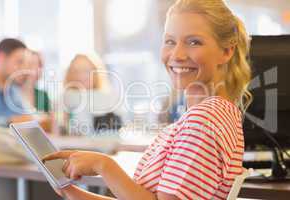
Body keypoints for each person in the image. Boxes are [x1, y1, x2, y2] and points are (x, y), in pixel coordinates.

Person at [43, 0, 252, 199]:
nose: (177, 54)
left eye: (193, 42)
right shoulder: (209, 115)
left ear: (226, 51)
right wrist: (71, 192)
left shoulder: (205, 119)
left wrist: (103, 165)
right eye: (170, 41)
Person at [0, 38, 30, 126]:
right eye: (19, 62)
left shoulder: (14, 89)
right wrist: (9, 121)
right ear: (1, 58)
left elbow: (26, 117)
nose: (23, 68)